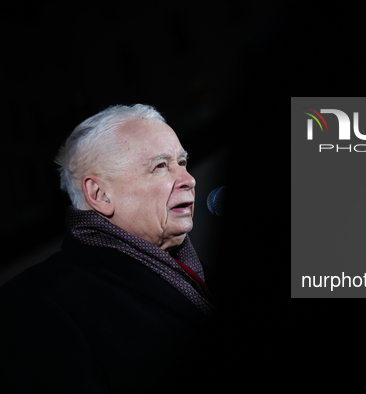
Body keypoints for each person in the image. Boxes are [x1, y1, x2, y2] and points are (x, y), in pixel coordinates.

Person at [0, 104, 216, 392]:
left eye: (182, 162)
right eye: (160, 166)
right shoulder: (36, 304)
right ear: (99, 195)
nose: (189, 180)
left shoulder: (199, 273)